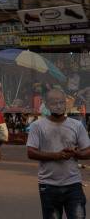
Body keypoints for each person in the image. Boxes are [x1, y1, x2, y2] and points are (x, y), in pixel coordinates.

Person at [27, 89, 90, 219]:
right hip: (48, 185)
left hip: (73, 184)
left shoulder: (77, 125)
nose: (58, 106)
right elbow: (31, 152)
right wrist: (56, 156)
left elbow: (88, 150)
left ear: (66, 103)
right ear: (47, 104)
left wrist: (75, 153)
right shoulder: (37, 126)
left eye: (61, 102)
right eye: (54, 103)